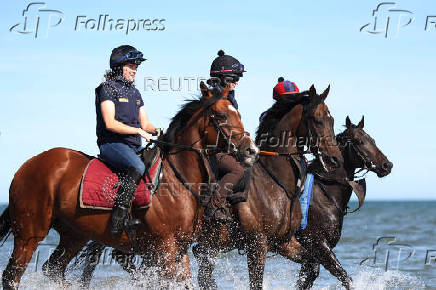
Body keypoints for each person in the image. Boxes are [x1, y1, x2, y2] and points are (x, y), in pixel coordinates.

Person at [95, 45, 162, 235]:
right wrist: (139, 131)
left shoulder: (135, 93)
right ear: (118, 67)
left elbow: (146, 123)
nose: (134, 70)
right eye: (131, 66)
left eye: (136, 67)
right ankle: (119, 218)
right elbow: (109, 122)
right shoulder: (107, 89)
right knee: (138, 168)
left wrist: (157, 131)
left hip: (133, 146)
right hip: (112, 144)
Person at [204, 50, 246, 223]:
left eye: (238, 78)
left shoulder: (230, 97)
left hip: (226, 148)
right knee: (237, 170)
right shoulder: (214, 97)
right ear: (221, 78)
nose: (236, 82)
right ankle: (212, 208)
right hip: (212, 150)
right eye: (233, 78)